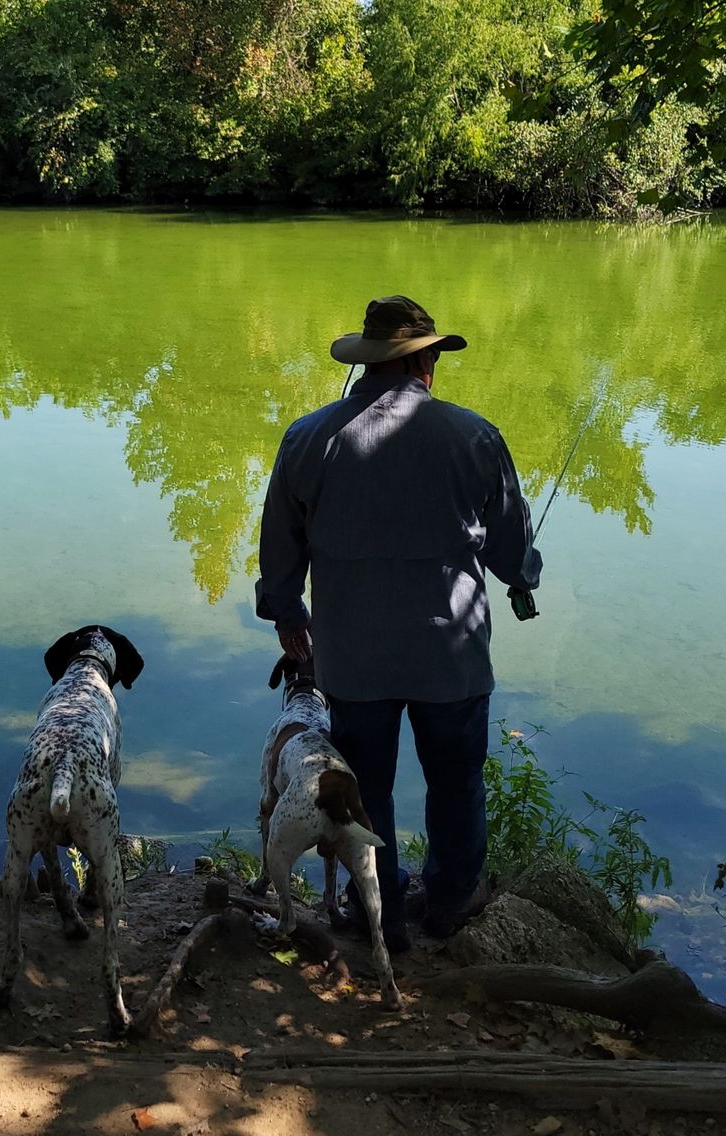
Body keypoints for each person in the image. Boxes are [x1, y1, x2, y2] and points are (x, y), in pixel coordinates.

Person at [255, 295, 542, 952]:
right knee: (457, 783)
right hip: (451, 656)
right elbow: (510, 553)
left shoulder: (307, 438)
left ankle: (378, 910)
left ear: (367, 362)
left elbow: (279, 548)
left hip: (353, 659)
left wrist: (289, 613)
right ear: (423, 363)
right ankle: (449, 904)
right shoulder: (475, 437)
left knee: (365, 791)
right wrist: (526, 575)